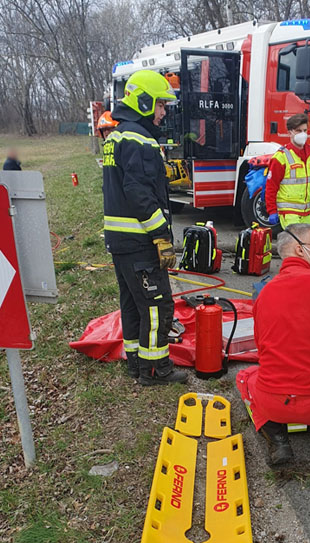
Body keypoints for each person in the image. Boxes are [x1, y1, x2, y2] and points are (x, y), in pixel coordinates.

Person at [236, 223, 310, 467]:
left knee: (245, 377)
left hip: (274, 403)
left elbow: (261, 346)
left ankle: (278, 440)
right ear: (300, 250)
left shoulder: (264, 294)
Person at [103, 69, 187, 386]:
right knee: (157, 306)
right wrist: (161, 236)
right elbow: (139, 194)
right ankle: (155, 371)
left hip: (121, 242)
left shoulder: (118, 136)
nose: (163, 112)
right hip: (140, 243)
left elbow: (128, 187)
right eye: (161, 105)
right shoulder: (139, 140)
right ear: (144, 102)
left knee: (132, 305)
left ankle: (136, 362)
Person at [265, 114, 310, 229]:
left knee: (303, 245)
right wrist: (272, 210)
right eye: (298, 131)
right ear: (290, 133)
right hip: (288, 212)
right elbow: (271, 186)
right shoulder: (281, 157)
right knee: (295, 243)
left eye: (305, 130)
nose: (303, 134)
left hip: (306, 211)